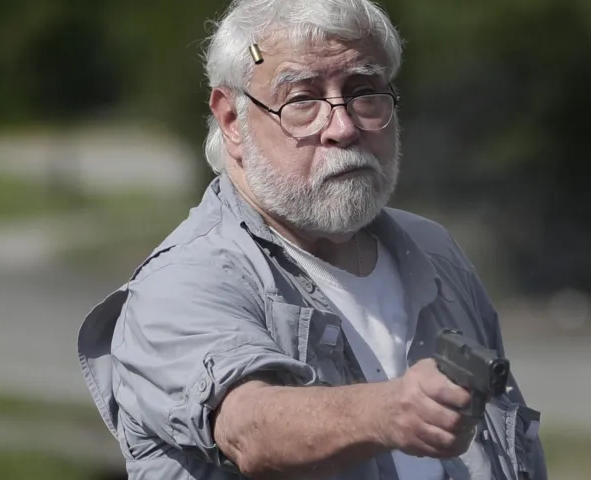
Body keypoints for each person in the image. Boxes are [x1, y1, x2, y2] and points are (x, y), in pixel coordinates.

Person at [77, 1, 548, 479]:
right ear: (232, 121)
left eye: (363, 91)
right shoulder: (182, 283)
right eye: (301, 100)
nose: (343, 128)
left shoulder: (434, 253)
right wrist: (385, 412)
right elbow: (249, 428)